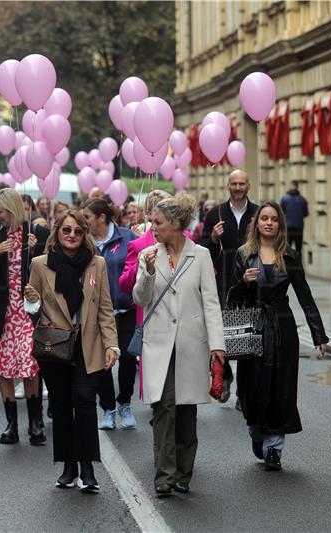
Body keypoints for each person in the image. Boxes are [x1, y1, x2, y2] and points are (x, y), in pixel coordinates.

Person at [132, 193, 226, 496]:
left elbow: (211, 303)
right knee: (164, 408)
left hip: (191, 344)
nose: (152, 226)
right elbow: (140, 299)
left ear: (175, 224)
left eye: (158, 222)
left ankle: (184, 472)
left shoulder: (199, 255)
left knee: (186, 411)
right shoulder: (149, 254)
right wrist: (146, 273)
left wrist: (217, 344)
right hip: (159, 344)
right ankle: (164, 476)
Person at [228, 201, 329, 471]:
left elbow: (305, 297)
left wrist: (319, 334)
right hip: (253, 327)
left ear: (280, 224)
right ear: (257, 223)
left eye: (274, 219)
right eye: (264, 218)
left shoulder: (290, 256)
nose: (269, 223)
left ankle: (274, 448)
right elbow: (231, 298)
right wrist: (243, 283)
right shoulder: (243, 254)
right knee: (251, 387)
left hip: (283, 328)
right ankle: (256, 430)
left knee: (280, 387)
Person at [24, 210, 119, 492]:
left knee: (86, 402)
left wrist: (111, 344)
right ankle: (68, 467)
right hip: (55, 345)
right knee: (63, 406)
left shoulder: (96, 264)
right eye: (67, 230)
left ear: (85, 234)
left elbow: (104, 307)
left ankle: (88, 468)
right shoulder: (41, 264)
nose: (72, 236)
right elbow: (34, 314)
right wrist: (33, 302)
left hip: (88, 344)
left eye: (78, 231)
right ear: (57, 233)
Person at [0, 188, 49, 446]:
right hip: (2, 312)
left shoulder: (36, 234)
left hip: (30, 312)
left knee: (29, 364)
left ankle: (35, 422)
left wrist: (37, 254)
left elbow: (51, 271)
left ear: (12, 210)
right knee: (5, 368)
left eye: (0, 213)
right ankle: (11, 424)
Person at [201, 170, 259, 403]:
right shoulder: (216, 213)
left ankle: (244, 393)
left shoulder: (257, 213)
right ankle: (225, 376)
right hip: (223, 282)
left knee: (247, 338)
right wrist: (214, 238)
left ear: (248, 185)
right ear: (228, 186)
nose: (237, 187)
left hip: (251, 282)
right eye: (234, 183)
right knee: (221, 334)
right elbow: (203, 251)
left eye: (241, 183)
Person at [81, 198, 138, 430]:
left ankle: (124, 402)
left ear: (101, 218)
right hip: (96, 313)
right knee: (102, 362)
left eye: (87, 217)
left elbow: (138, 265)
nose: (83, 222)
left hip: (126, 310)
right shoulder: (84, 241)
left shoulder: (126, 237)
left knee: (126, 357)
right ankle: (108, 408)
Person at [119, 190, 172, 329]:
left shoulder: (186, 238)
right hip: (151, 315)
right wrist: (140, 263)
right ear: (149, 213)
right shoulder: (138, 244)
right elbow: (124, 284)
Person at [280, 180, 309, 252]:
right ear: (297, 187)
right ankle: (298, 262)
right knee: (299, 249)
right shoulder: (302, 199)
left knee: (287, 248)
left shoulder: (285, 199)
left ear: (290, 186)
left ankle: (288, 263)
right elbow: (306, 213)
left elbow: (281, 212)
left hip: (288, 227)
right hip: (299, 227)